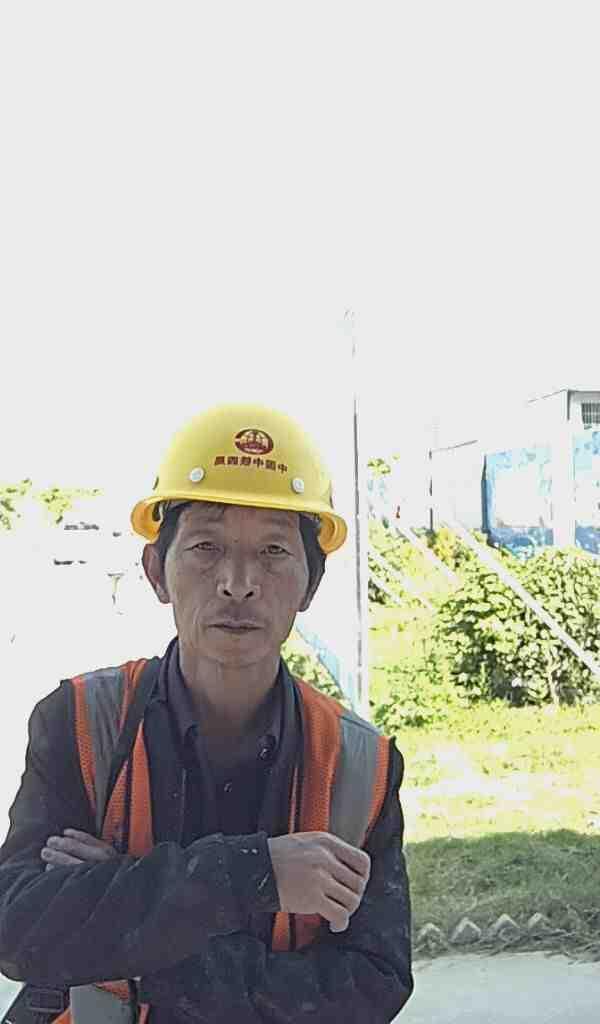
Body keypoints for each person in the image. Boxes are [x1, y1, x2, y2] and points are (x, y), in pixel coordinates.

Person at [0, 404, 413, 1023]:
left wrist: (129, 921)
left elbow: (370, 987)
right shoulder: (83, 722)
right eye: (205, 547)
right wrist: (255, 874)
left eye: (273, 550)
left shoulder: (360, 766)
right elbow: (18, 927)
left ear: (311, 583)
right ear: (156, 572)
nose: (238, 582)